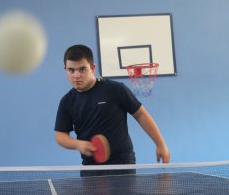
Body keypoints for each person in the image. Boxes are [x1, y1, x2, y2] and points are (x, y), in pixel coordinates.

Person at [54, 44, 170, 176]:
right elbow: (60, 135)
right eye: (71, 70)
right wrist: (78, 144)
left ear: (92, 68)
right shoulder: (67, 101)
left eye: (82, 69)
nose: (76, 75)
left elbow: (141, 114)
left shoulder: (115, 89)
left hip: (122, 163)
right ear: (65, 69)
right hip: (91, 167)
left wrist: (160, 144)